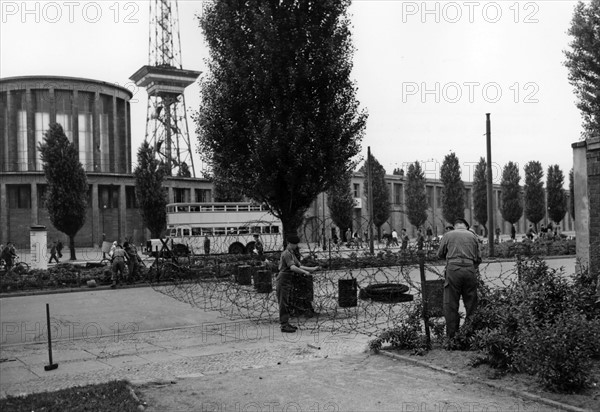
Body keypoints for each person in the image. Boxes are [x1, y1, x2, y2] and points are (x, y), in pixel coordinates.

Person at [437, 217, 481, 341]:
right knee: (471, 303)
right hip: (469, 269)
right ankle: (470, 334)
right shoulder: (473, 236)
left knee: (451, 303)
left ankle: (452, 337)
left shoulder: (448, 235)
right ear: (466, 226)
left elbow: (439, 254)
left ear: (455, 226)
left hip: (453, 270)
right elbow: (478, 258)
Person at [276, 234, 319, 333]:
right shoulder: (286, 253)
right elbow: (293, 268)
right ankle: (284, 325)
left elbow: (300, 265)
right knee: (283, 303)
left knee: (286, 302)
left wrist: (313, 269)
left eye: (296, 244)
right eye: (294, 244)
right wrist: (305, 273)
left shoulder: (291, 253)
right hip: (283, 278)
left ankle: (286, 323)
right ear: (289, 243)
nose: (295, 246)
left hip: (287, 279)